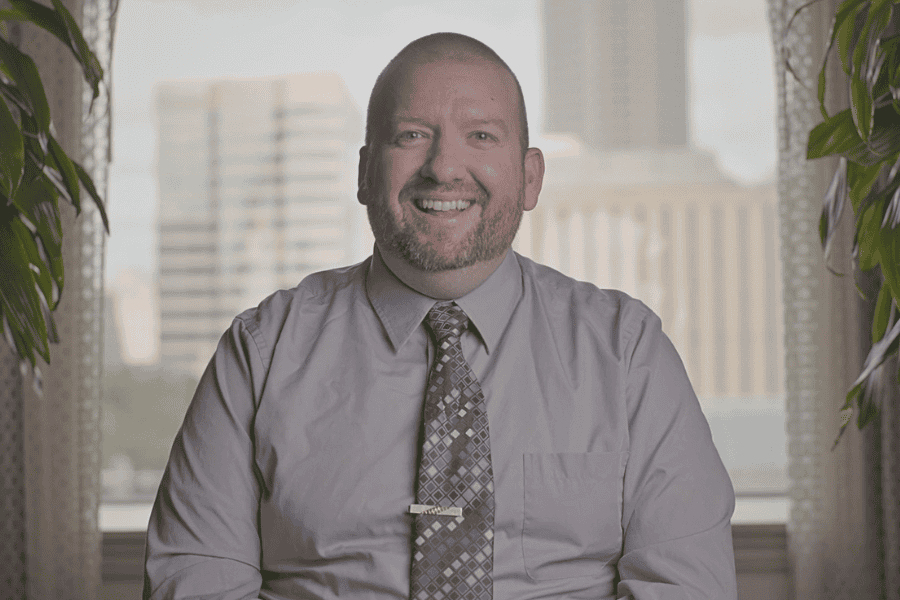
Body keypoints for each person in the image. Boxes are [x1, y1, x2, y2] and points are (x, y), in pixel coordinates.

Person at [143, 32, 738, 600]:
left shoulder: (626, 351)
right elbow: (197, 579)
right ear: (363, 173)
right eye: (411, 135)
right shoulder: (262, 350)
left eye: (481, 135)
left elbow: (685, 587)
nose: (444, 167)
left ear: (530, 177)